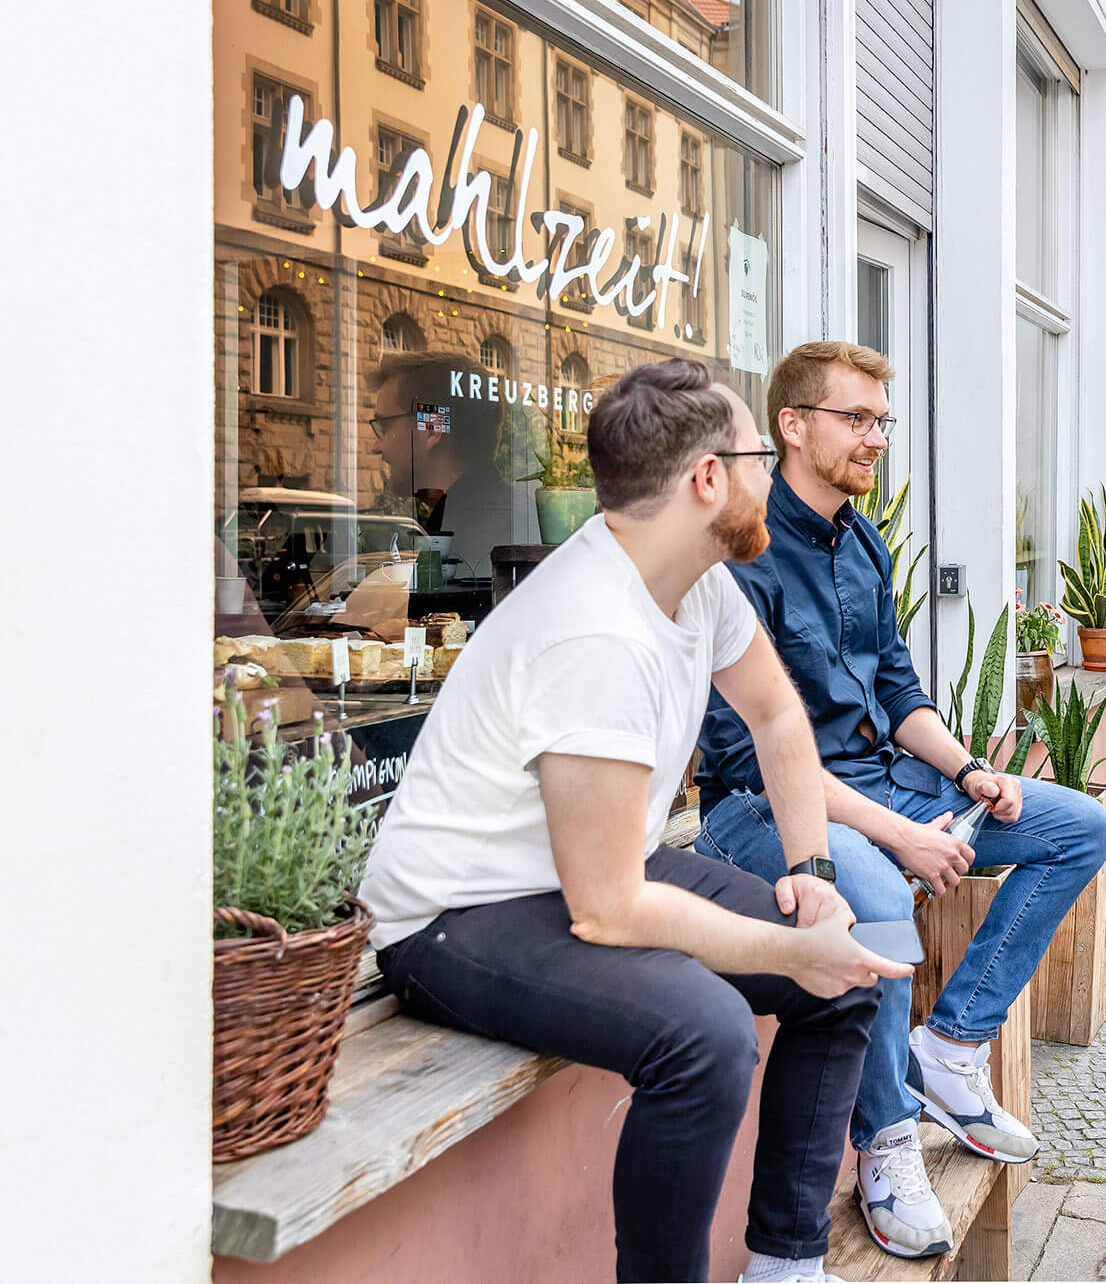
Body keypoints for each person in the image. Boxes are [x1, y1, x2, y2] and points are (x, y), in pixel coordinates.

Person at [360, 358, 909, 1284]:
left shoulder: (697, 580)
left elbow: (777, 718)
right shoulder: (595, 633)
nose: (771, 475)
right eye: (754, 458)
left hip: (592, 871)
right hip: (456, 915)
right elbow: (609, 909)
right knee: (706, 1038)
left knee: (843, 972)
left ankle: (785, 1261)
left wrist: (813, 879)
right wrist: (786, 950)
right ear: (706, 480)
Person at [693, 340, 1106, 1261]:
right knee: (878, 900)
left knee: (1076, 825)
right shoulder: (742, 560)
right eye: (858, 418)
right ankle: (886, 1140)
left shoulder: (866, 541)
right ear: (793, 426)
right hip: (758, 814)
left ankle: (952, 1048)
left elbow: (898, 689)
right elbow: (756, 756)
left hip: (885, 780)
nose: (877, 437)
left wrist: (970, 774)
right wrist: (895, 836)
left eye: (883, 419)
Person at [367, 348, 512, 577]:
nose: (376, 446)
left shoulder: (473, 537)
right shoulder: (486, 519)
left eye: (385, 427)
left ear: (431, 430)